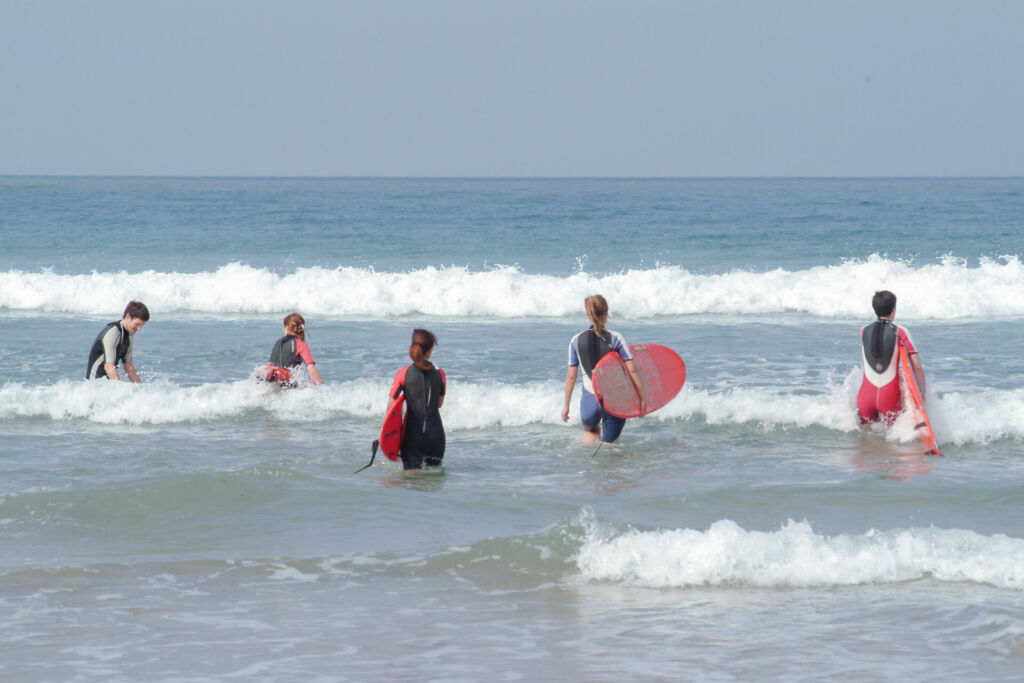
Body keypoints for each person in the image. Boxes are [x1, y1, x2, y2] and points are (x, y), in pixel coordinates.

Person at [561, 294, 646, 444]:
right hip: (614, 400)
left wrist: (566, 406)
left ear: (589, 315)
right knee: (610, 445)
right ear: (606, 313)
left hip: (590, 401)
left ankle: (589, 466)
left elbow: (571, 377)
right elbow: (632, 371)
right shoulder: (616, 338)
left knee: (590, 431)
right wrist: (642, 399)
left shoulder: (575, 340)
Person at [857, 290, 926, 424]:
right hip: (889, 397)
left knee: (866, 438)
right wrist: (922, 394)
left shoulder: (863, 331)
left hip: (865, 396)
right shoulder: (900, 332)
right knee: (894, 439)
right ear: (894, 309)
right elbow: (916, 366)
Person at [387, 329, 446, 470]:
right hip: (436, 437)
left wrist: (387, 436)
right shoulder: (440, 373)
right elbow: (439, 404)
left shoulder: (403, 373)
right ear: (430, 351)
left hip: (412, 436)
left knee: (412, 483)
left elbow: (391, 409)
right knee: (432, 482)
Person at [86, 301, 150, 382]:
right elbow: (109, 365)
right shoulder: (113, 332)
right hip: (94, 383)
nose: (139, 329)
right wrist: (118, 388)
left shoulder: (129, 335)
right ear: (128, 316)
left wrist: (140, 388)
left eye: (141, 325)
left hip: (107, 382)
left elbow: (128, 366)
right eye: (137, 324)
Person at [264, 312, 324, 386]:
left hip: (267, 373)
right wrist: (321, 388)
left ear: (287, 328)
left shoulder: (278, 342)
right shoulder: (301, 344)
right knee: (307, 383)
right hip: (283, 377)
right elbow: (311, 369)